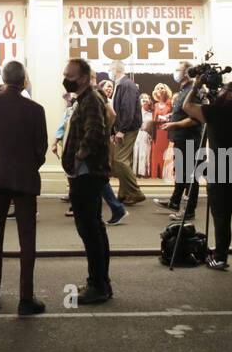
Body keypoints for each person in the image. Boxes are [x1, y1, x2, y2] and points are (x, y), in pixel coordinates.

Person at [0, 60, 47, 316]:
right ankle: (25, 299)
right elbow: (41, 149)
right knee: (27, 239)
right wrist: (28, 164)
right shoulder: (36, 109)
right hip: (24, 178)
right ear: (23, 80)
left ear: (3, 79)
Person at [182, 79, 232, 270]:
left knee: (221, 216)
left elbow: (187, 106)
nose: (221, 91)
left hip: (220, 171)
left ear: (230, 94)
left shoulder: (215, 111)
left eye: (224, 89)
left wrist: (196, 86)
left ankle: (221, 256)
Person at [61, 58, 112, 304]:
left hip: (86, 174)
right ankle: (100, 281)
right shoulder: (87, 98)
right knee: (94, 228)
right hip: (86, 173)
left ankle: (98, 285)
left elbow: (95, 131)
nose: (65, 78)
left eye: (69, 75)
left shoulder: (91, 99)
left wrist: (79, 157)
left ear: (82, 78)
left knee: (89, 229)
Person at [155, 63, 199, 220]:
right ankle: (174, 201)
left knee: (189, 175)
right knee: (181, 172)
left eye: (178, 69)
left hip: (189, 138)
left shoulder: (193, 91)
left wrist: (174, 124)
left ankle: (189, 210)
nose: (175, 72)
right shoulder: (183, 91)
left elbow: (195, 119)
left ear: (187, 73)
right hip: (180, 137)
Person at [110, 71, 146, 206]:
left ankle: (135, 192)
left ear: (115, 70)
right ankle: (124, 193)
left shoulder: (127, 85)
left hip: (128, 128)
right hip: (125, 128)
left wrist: (122, 130)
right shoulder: (123, 85)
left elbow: (128, 108)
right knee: (124, 160)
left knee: (120, 160)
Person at [149, 82, 173, 178]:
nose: (160, 89)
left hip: (166, 132)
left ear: (166, 90)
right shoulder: (155, 105)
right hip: (157, 132)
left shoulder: (170, 103)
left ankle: (166, 173)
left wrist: (166, 118)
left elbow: (173, 117)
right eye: (158, 88)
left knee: (166, 153)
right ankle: (156, 174)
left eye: (162, 88)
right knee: (156, 153)